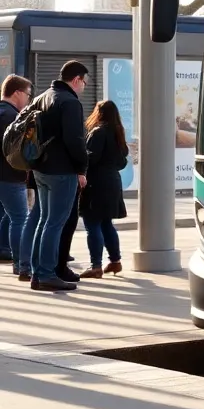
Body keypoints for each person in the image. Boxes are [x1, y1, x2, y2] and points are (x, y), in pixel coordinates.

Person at [27, 61, 89, 292]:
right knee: (54, 222)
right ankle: (46, 274)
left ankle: (37, 273)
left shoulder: (42, 97)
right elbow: (75, 140)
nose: (83, 86)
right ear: (76, 80)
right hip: (62, 170)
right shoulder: (70, 102)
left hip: (40, 168)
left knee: (45, 221)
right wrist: (82, 167)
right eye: (84, 82)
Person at [79, 100, 128, 278]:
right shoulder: (118, 133)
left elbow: (90, 158)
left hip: (96, 182)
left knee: (92, 224)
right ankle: (115, 261)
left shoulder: (98, 132)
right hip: (113, 181)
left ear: (98, 113)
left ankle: (96, 266)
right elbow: (123, 161)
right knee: (106, 223)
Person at [0, 74, 32, 275]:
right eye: (28, 94)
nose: (28, 99)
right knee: (20, 218)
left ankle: (7, 252)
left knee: (7, 216)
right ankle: (21, 265)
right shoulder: (11, 117)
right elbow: (14, 151)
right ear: (17, 93)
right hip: (9, 176)